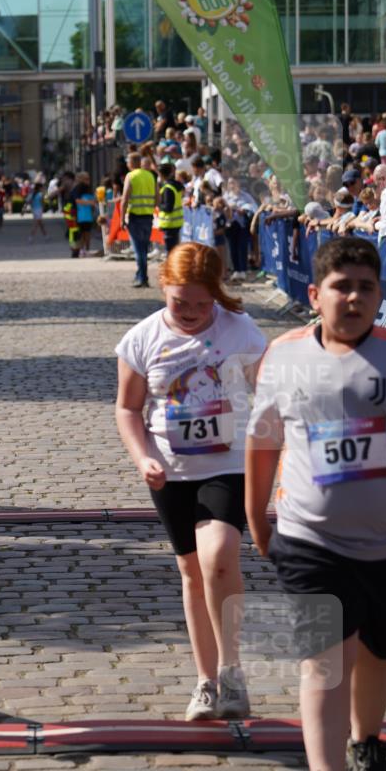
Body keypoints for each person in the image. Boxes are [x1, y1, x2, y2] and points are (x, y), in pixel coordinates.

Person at [245, 236, 386, 771]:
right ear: (315, 295)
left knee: (377, 651)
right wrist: (255, 514)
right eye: (342, 287)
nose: (354, 298)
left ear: (380, 296)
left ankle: (366, 741)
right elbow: (263, 439)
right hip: (307, 538)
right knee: (325, 661)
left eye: (366, 287)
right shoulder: (283, 355)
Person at [115, 242, 267, 721]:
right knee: (191, 574)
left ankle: (232, 671)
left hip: (227, 465)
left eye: (203, 304)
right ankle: (205, 682)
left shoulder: (239, 329)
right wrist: (142, 458)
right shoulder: (140, 339)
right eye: (181, 302)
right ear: (164, 286)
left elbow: (269, 388)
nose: (192, 314)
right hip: (171, 471)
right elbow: (128, 409)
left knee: (219, 559)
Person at [120, 152, 158, 288]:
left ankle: (143, 278)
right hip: (148, 217)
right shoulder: (150, 175)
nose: (126, 164)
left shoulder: (131, 176)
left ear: (132, 163)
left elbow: (124, 199)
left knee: (138, 249)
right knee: (144, 248)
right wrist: (150, 208)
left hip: (135, 217)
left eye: (127, 161)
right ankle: (140, 275)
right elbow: (157, 197)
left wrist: (121, 219)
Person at [157, 160, 184, 255]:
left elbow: (168, 208)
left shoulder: (168, 188)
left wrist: (158, 205)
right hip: (176, 222)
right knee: (174, 250)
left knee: (170, 252)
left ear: (161, 174)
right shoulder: (177, 185)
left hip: (169, 223)